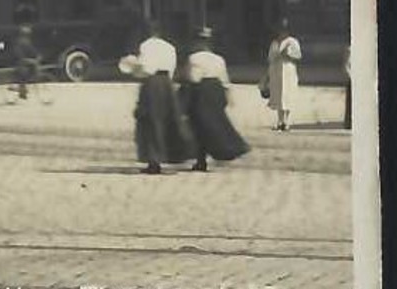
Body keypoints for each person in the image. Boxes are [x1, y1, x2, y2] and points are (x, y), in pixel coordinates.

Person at [119, 26, 194, 175]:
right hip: (167, 82)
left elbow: (146, 68)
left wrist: (134, 68)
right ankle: (172, 155)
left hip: (152, 83)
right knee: (168, 119)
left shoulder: (146, 46)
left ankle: (153, 161)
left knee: (151, 120)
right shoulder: (169, 47)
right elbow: (172, 68)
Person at [181, 28, 249, 172]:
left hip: (202, 92)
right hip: (216, 92)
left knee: (199, 126)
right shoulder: (219, 59)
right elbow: (225, 80)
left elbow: (193, 78)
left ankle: (201, 160)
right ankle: (210, 155)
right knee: (214, 124)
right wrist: (228, 97)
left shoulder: (194, 58)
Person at [263, 17, 302, 132]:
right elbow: (270, 58)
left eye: (284, 31)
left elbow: (298, 56)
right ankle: (280, 121)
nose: (282, 33)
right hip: (276, 71)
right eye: (280, 30)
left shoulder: (293, 42)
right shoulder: (274, 43)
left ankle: (287, 122)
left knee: (288, 96)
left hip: (288, 70)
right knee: (278, 96)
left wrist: (288, 54)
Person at [12, 23, 42, 101]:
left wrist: (37, 55)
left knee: (32, 66)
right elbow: (18, 54)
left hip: (24, 61)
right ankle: (21, 88)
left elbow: (32, 51)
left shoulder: (26, 42)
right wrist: (30, 59)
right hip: (20, 62)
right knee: (25, 71)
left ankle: (23, 88)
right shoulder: (20, 42)